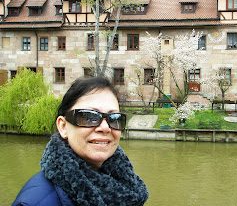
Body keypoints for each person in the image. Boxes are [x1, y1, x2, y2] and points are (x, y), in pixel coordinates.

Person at [12, 76, 149, 206]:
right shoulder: (34, 201)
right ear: (63, 126)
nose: (105, 128)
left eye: (114, 118)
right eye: (88, 117)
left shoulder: (127, 186)